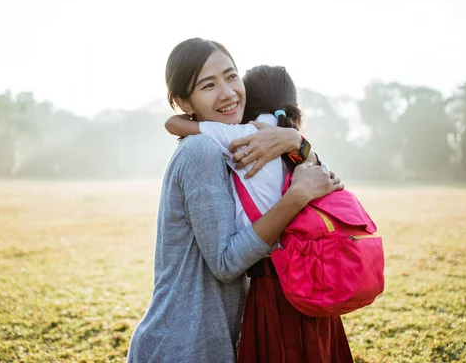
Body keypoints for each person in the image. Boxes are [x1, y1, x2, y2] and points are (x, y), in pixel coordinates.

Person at [127, 38, 343, 363]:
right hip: (183, 344)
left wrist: (297, 142)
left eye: (231, 76)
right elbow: (226, 263)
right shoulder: (201, 152)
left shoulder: (235, 144)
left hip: (210, 340)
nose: (227, 93)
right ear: (184, 101)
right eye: (208, 85)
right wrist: (296, 197)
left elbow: (327, 182)